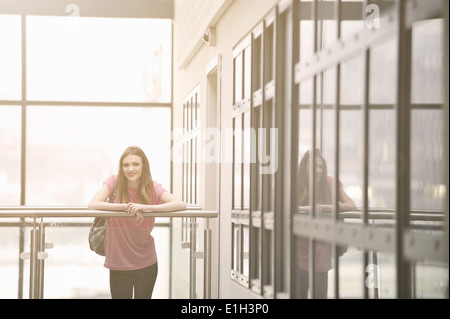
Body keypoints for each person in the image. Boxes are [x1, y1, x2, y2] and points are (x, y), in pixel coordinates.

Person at [88, 146, 186, 299]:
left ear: (144, 166)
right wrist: (124, 207)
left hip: (147, 262)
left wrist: (145, 207)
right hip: (118, 262)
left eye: (135, 164)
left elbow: (180, 204)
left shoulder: (152, 187)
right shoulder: (114, 181)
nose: (130, 169)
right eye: (126, 165)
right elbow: (93, 204)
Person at [296, 149, 356, 299]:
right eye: (313, 166)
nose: (318, 171)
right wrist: (308, 209)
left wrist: (325, 208)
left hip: (321, 256)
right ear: (305, 168)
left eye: (320, 167)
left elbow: (351, 205)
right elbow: (284, 208)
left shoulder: (329, 183)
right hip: (298, 255)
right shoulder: (297, 184)